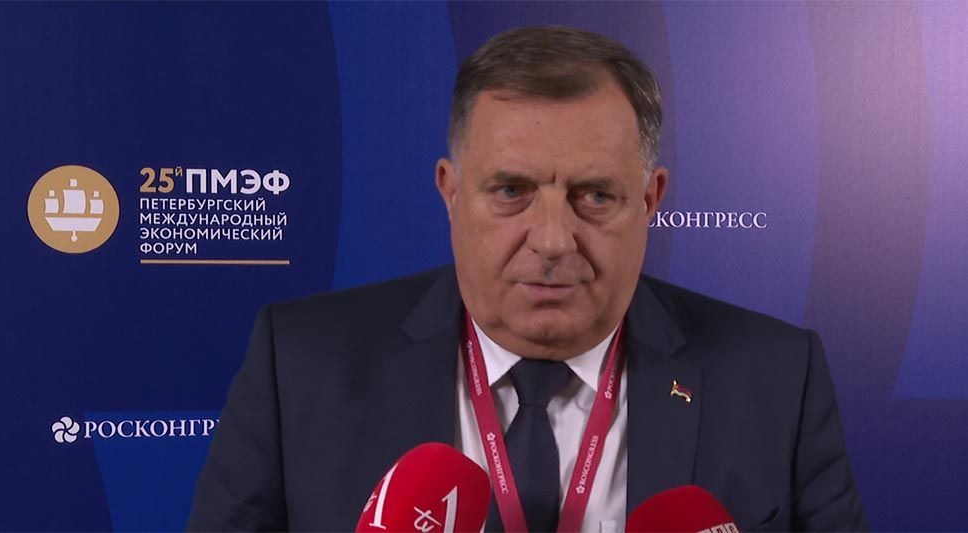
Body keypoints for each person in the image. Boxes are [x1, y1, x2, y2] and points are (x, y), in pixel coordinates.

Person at [188, 26, 866, 531]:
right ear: (451, 192)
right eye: (511, 191)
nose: (551, 240)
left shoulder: (778, 379)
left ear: (650, 199)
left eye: (594, 195)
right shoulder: (299, 365)